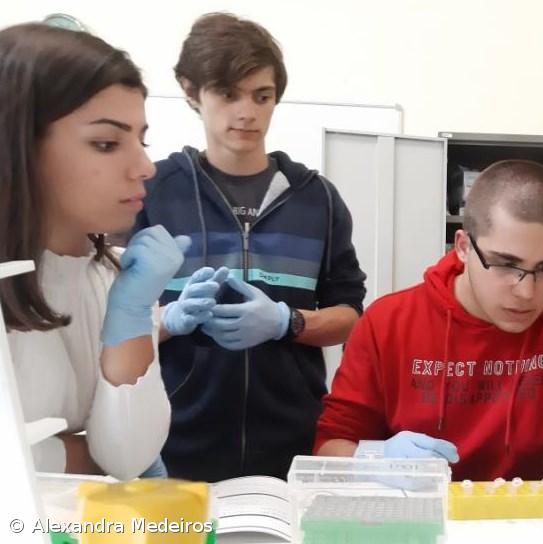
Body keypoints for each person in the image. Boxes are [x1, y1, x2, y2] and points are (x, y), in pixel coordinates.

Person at [134, 13, 366, 482]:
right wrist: (168, 321)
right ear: (189, 90)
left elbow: (350, 316)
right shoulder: (152, 192)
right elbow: (108, 321)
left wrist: (287, 321)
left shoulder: (317, 199)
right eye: (227, 94)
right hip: (170, 445)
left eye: (262, 96)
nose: (248, 112)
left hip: (292, 448)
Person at [315, 160, 543, 481]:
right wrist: (377, 459)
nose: (526, 292)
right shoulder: (387, 322)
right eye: (505, 264)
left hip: (522, 520)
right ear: (463, 247)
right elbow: (329, 446)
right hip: (412, 511)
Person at [0, 23, 188, 480]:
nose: (144, 167)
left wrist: (130, 313)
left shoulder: (115, 277)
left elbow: (127, 460)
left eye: (141, 140)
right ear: (20, 145)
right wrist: (82, 457)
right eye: (106, 144)